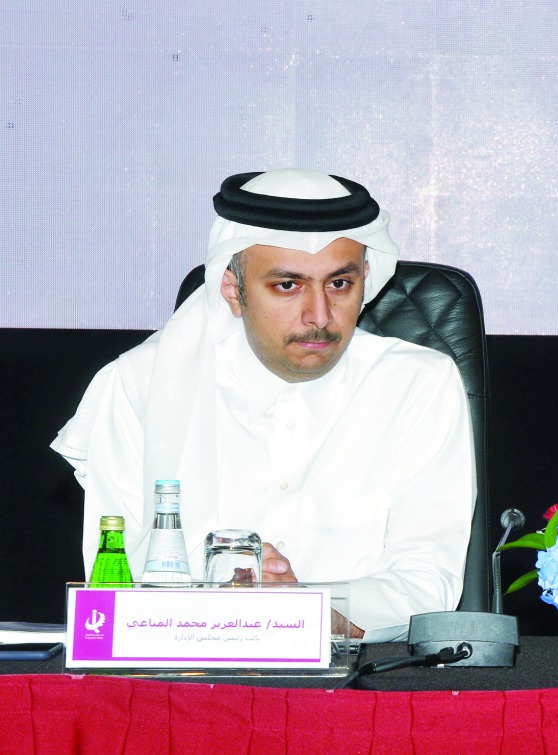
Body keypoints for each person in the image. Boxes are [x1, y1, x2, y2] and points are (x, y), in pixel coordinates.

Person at [53, 169, 476, 642]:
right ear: (234, 292)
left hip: (359, 688)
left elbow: (427, 582)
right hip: (183, 687)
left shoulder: (419, 383)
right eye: (287, 285)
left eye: (339, 284)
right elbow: (113, 589)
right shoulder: (139, 385)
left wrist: (307, 611)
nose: (319, 315)